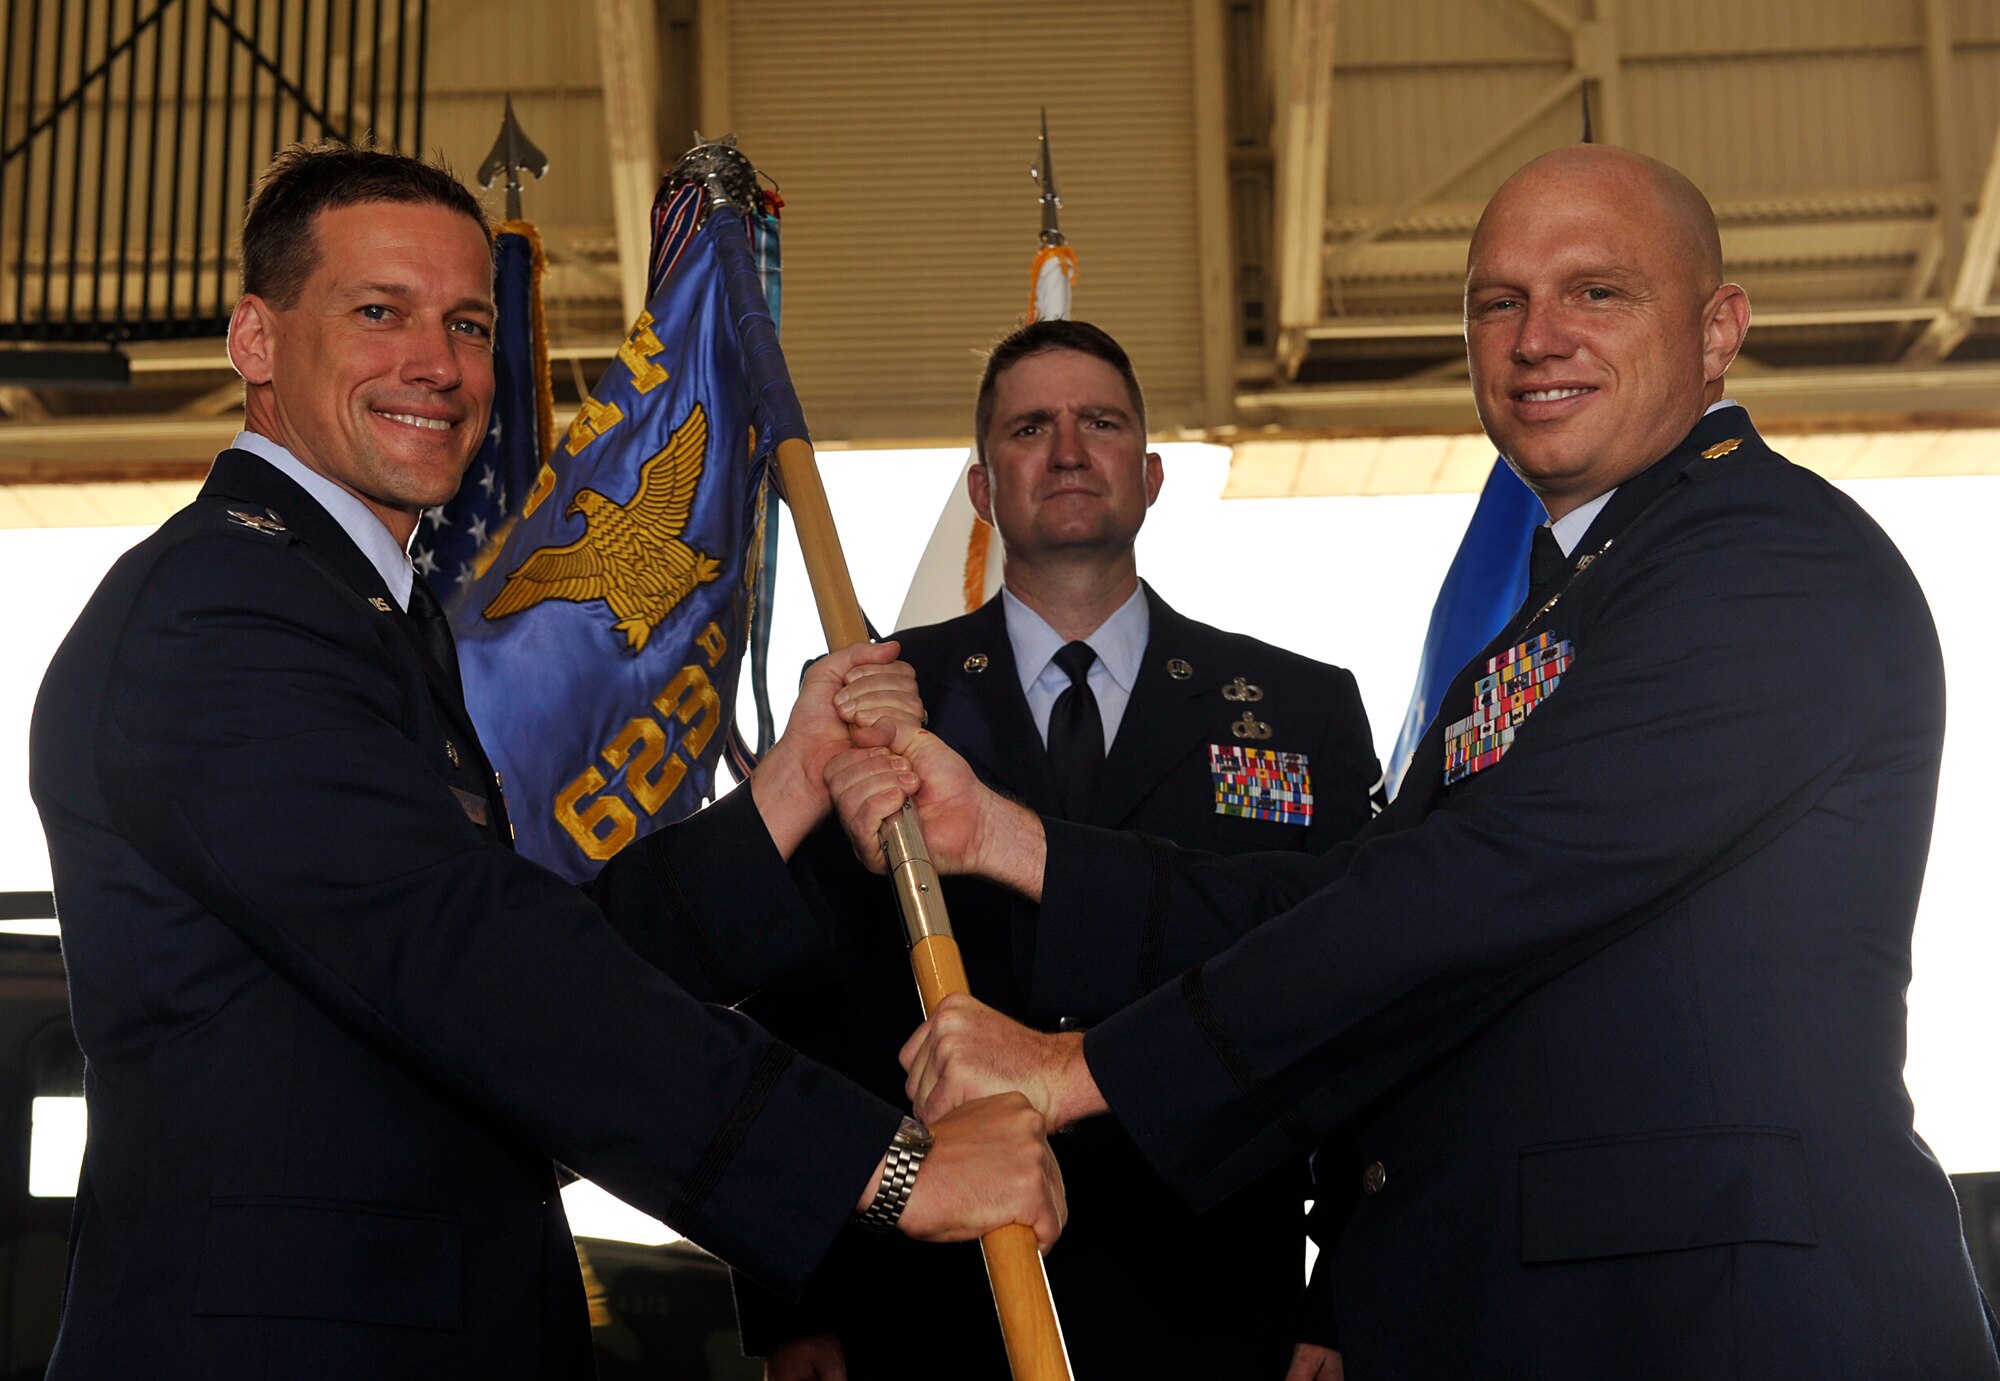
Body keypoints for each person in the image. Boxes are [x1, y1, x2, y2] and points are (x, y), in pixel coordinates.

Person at [838, 145, 2000, 1378]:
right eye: (1496, 302)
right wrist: (1004, 840)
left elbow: (1475, 891)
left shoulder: (1764, 560)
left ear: (1718, 329)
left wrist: (1076, 1069)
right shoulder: (1557, 617)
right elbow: (1346, 893)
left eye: (1594, 292)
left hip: (1711, 1320)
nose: (1535, 337)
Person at [27, 143, 1062, 1381]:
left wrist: (786, 788)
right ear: (256, 338)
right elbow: (465, 957)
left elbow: (530, 942)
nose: (440, 364)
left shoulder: (346, 607)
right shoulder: (219, 616)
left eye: (468, 323)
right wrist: (882, 1165)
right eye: (378, 312)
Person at [735, 320, 1383, 1380]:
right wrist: (788, 1300)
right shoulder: (869, 702)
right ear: (983, 490)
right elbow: (801, 1010)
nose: (1069, 450)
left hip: (1219, 1293)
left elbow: (1359, 993)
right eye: (1030, 428)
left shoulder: (1300, 707)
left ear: (1151, 472)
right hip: (934, 1297)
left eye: (1100, 423)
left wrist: (1344, 1292)